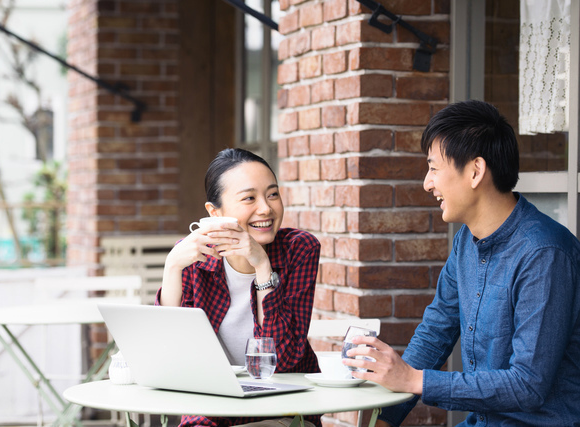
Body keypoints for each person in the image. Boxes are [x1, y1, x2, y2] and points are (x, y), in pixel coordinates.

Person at [343, 100, 580, 426]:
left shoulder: (544, 254)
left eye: (434, 168)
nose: (428, 183)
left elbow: (528, 385)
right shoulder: (466, 242)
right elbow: (434, 333)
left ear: (475, 171)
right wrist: (385, 419)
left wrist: (413, 380)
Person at [157, 148, 322, 427]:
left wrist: (261, 265)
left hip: (282, 410)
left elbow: (281, 360)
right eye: (249, 198)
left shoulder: (299, 249)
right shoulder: (192, 259)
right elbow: (168, 355)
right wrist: (171, 267)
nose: (266, 208)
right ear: (215, 212)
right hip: (210, 410)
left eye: (272, 194)